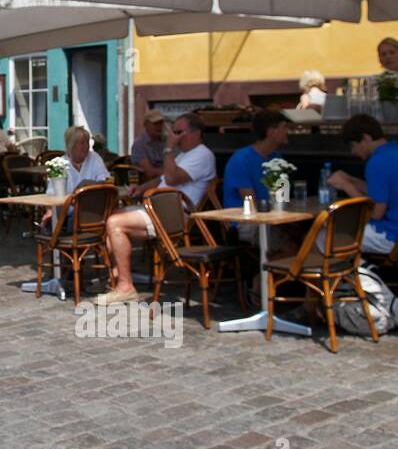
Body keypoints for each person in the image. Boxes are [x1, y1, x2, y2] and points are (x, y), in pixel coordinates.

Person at [100, 113, 216, 304]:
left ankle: (125, 286)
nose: (174, 135)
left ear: (195, 133)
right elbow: (162, 179)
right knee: (109, 216)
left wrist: (169, 147)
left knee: (115, 223)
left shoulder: (202, 154)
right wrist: (141, 188)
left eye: (178, 132)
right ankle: (117, 274)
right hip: (161, 209)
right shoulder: (185, 154)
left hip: (175, 215)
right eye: (174, 132)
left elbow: (171, 178)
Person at [327, 114, 398, 255]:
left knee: (329, 236)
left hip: (397, 238)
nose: (353, 152)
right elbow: (384, 191)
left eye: (353, 145)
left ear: (366, 138)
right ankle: (362, 268)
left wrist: (346, 185)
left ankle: (363, 273)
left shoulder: (377, 162)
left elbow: (375, 213)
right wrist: (351, 179)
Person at [223, 109, 290, 243]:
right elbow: (250, 203)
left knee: (307, 230)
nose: (288, 131)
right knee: (290, 239)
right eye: (284, 127)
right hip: (245, 222)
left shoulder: (276, 158)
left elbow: (281, 196)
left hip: (272, 217)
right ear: (272, 132)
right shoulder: (241, 159)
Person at [130, 109, 168, 181]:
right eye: (155, 123)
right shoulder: (139, 145)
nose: (159, 126)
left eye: (161, 123)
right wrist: (173, 172)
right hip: (149, 185)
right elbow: (150, 173)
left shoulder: (168, 141)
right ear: (145, 125)